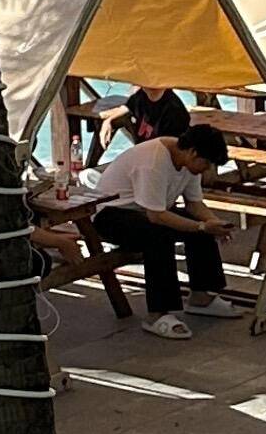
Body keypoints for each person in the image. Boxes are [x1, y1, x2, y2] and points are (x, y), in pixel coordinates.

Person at [73, 103, 233, 332]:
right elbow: (156, 216)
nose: (206, 169)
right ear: (193, 153)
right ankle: (158, 313)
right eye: (206, 164)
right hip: (110, 214)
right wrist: (201, 226)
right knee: (158, 236)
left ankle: (202, 296)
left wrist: (213, 222)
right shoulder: (154, 161)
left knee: (200, 228)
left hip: (144, 211)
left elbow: (194, 204)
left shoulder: (188, 163)